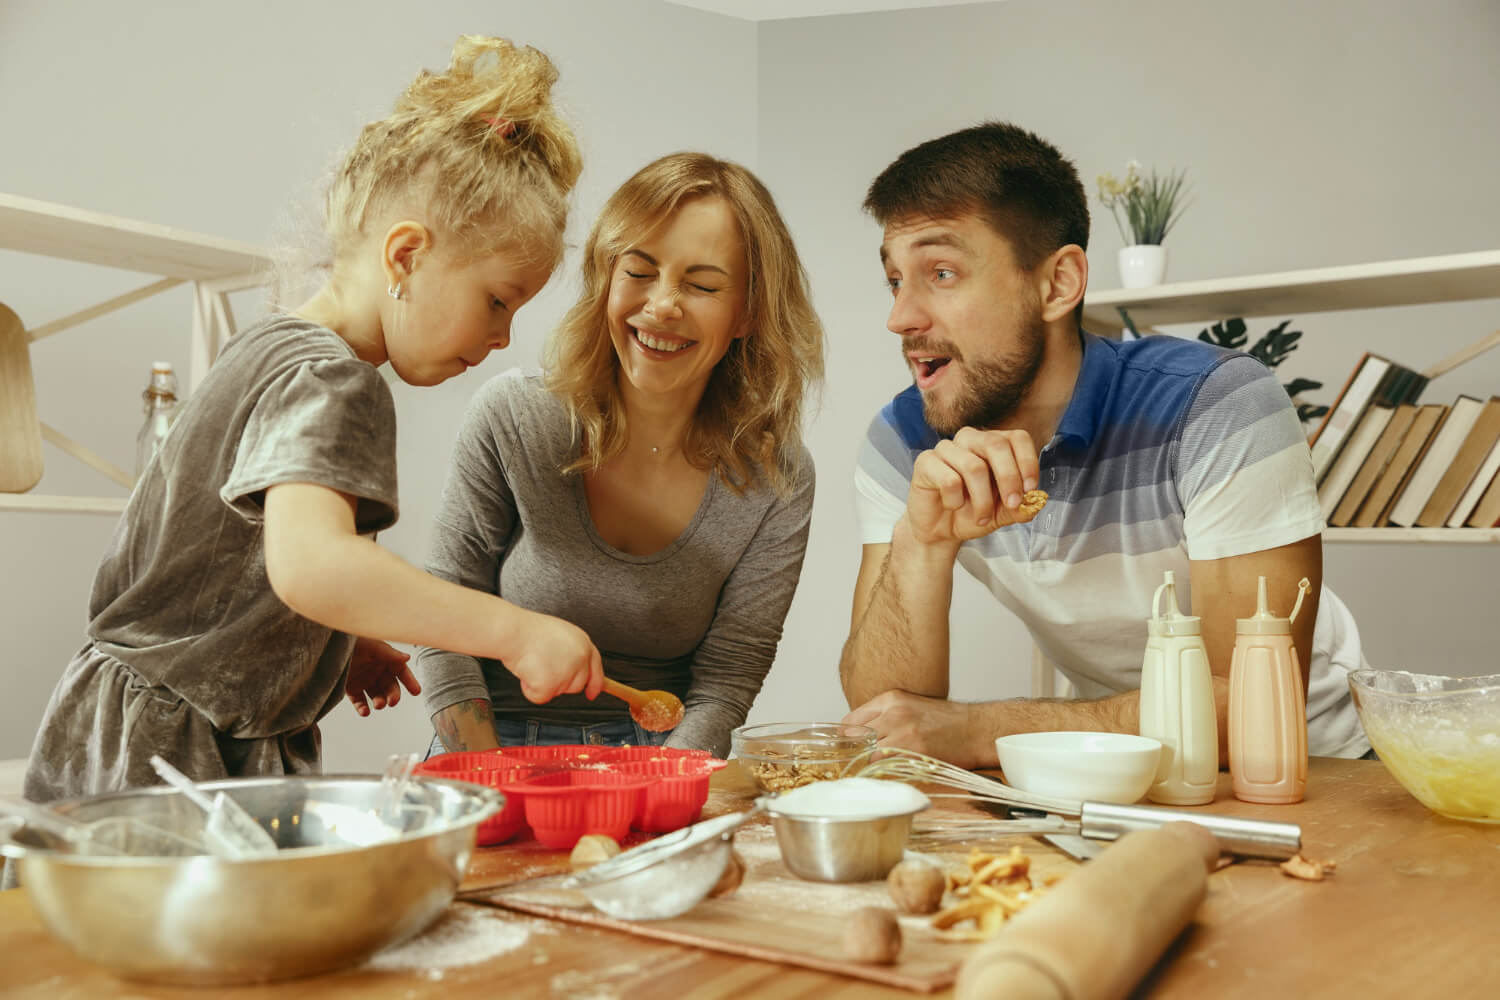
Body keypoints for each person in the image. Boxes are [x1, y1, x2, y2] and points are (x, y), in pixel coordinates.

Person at [19, 36, 602, 808]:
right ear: (405, 256)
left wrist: (328, 643)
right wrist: (517, 632)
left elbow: (225, 562)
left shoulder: (264, 345)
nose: (500, 340)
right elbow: (315, 566)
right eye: (497, 300)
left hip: (113, 730)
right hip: (177, 761)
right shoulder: (336, 380)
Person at [839, 122, 1371, 769]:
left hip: (1317, 770)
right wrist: (920, 546)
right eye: (895, 279)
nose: (901, 317)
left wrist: (984, 731)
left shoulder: (1218, 406)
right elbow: (883, 717)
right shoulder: (904, 443)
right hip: (1117, 766)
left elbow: (1252, 708)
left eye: (941, 272)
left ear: (1058, 284)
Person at [416, 152, 824, 758]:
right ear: (606, 277)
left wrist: (665, 786)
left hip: (662, 754)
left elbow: (729, 675)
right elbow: (442, 609)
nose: (661, 305)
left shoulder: (778, 476)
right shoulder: (514, 415)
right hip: (489, 745)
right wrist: (483, 772)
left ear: (748, 314)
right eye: (638, 271)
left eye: (703, 285)